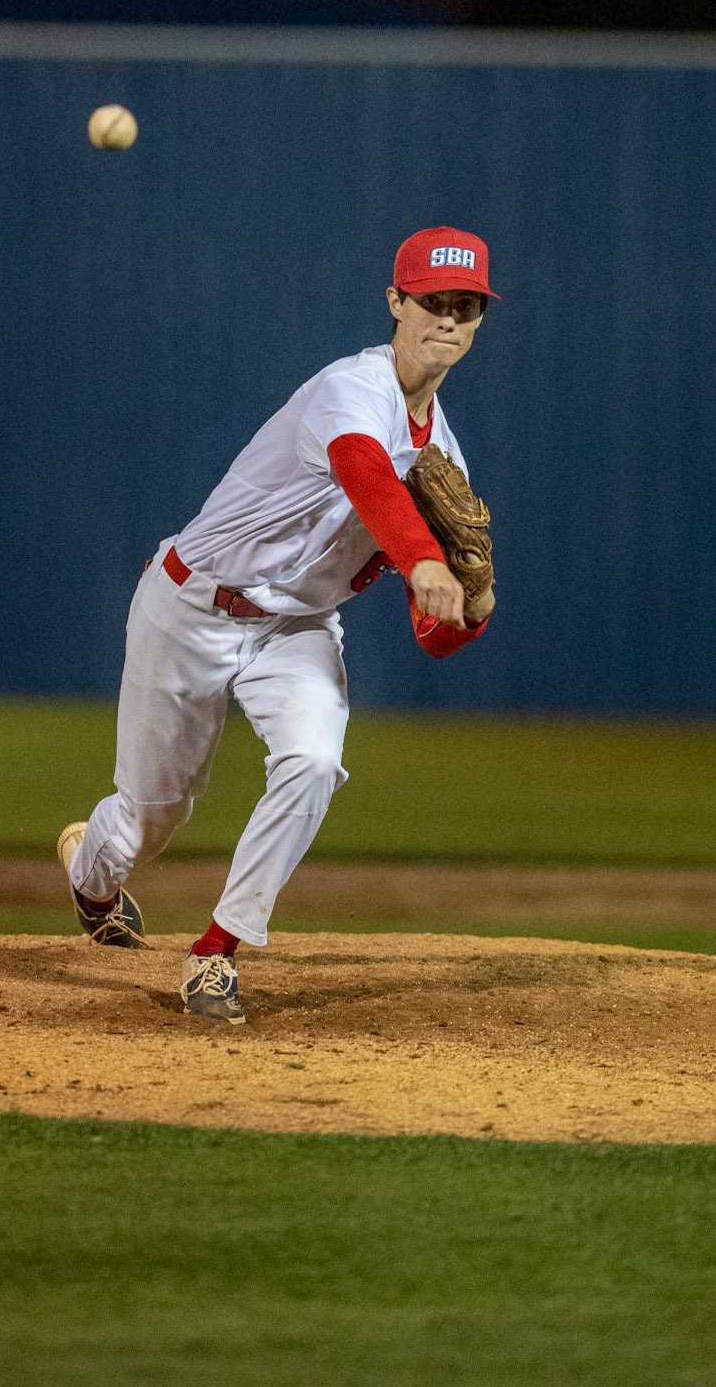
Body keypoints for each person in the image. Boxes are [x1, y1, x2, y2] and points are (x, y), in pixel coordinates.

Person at [56, 226, 497, 1024]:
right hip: (189, 606)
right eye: (432, 301)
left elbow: (432, 635)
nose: (448, 320)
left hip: (295, 629)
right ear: (394, 302)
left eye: (465, 307)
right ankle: (92, 875)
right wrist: (423, 558)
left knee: (314, 760)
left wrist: (469, 610)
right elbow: (365, 473)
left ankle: (216, 952)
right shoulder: (349, 390)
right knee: (153, 819)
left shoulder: (447, 461)